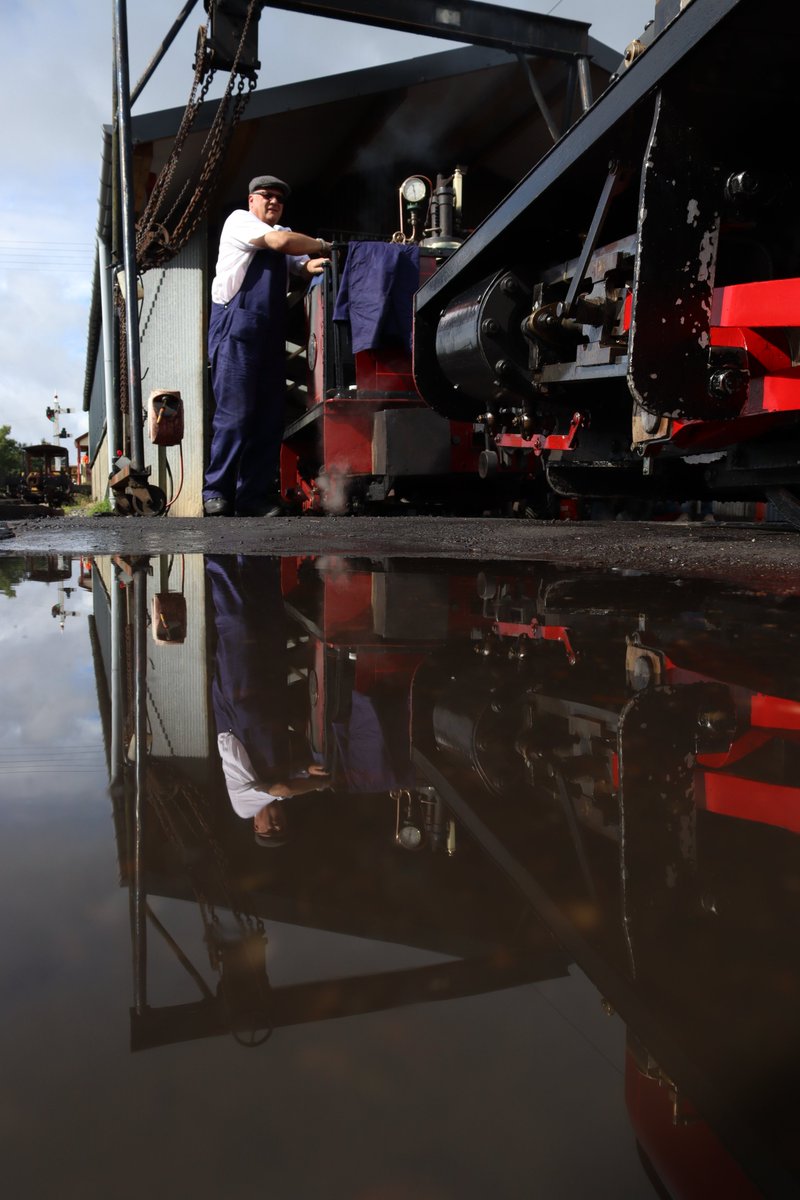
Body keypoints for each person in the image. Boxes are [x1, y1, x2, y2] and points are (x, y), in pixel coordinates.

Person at [203, 175, 332, 517]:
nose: (273, 201)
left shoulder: (284, 235)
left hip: (268, 338)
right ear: (251, 201)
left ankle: (253, 498)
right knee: (235, 416)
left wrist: (316, 264)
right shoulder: (241, 223)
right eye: (266, 196)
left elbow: (299, 264)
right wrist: (319, 243)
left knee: (268, 420)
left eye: (279, 198)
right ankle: (217, 492)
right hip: (235, 332)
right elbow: (280, 243)